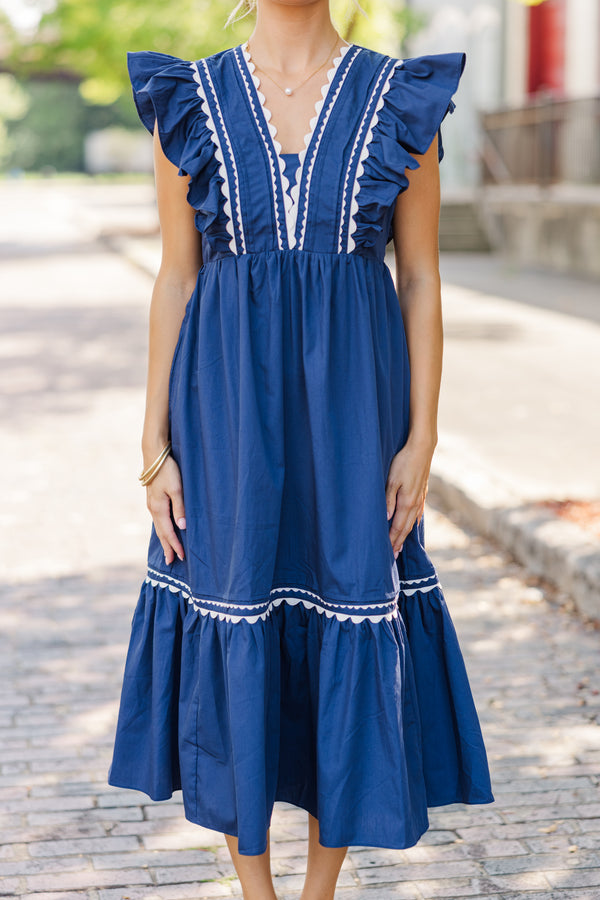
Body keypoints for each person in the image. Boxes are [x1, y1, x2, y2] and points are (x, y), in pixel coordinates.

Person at [108, 0, 495, 897]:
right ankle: (257, 890)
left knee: (347, 614)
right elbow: (178, 272)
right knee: (234, 603)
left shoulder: (400, 98)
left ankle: (318, 890)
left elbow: (423, 276)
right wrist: (153, 437)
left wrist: (422, 437)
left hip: (357, 417)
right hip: (225, 419)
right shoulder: (188, 98)